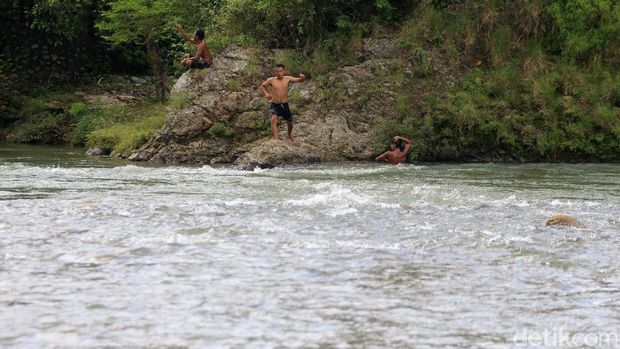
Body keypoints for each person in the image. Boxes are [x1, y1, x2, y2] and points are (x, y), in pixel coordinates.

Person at [259, 64, 305, 141]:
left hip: (284, 105)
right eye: (277, 72)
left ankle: (289, 135)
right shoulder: (271, 80)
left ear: (283, 71)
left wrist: (302, 77)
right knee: (273, 119)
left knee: (290, 123)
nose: (279, 73)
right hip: (274, 105)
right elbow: (262, 86)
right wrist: (266, 94)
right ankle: (276, 139)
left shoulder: (288, 78)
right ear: (275, 72)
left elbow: (300, 80)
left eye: (281, 71)